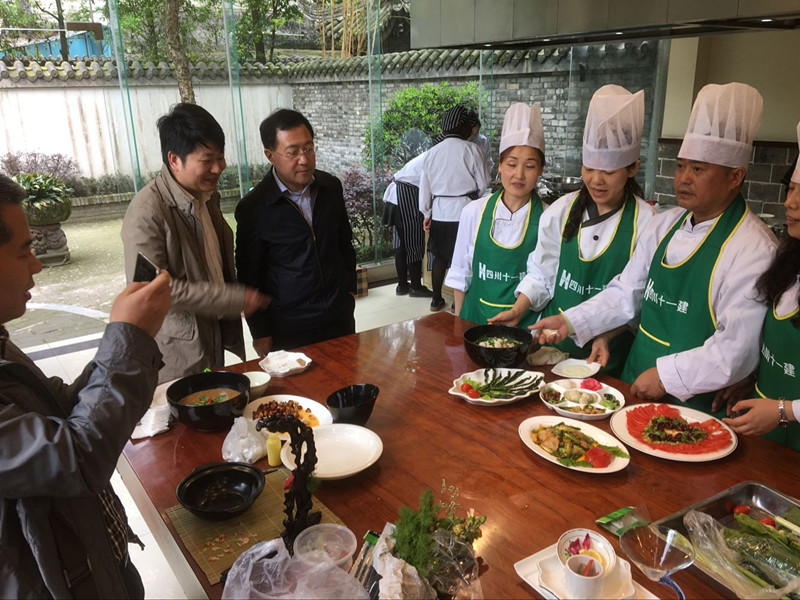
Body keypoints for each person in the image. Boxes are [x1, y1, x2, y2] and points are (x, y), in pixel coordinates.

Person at [533, 82, 776, 415]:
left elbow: (736, 350)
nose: (683, 179)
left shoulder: (754, 249)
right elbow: (626, 292)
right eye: (680, 166)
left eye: (698, 169)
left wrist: (665, 376)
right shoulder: (665, 224)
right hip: (636, 380)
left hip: (695, 404)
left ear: (735, 176)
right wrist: (570, 320)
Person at [0, 174, 172, 598]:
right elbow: (76, 457)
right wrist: (129, 341)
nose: (37, 265)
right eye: (23, 252)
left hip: (95, 563)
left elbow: (60, 410)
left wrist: (124, 340)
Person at [490, 86, 655, 375]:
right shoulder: (561, 211)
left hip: (609, 355)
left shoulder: (647, 222)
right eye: (589, 168)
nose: (596, 180)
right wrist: (519, 309)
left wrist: (605, 333)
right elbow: (542, 273)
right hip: (555, 347)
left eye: (609, 172)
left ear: (632, 168)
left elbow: (634, 299)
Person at [121, 103, 268, 381]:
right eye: (207, 159)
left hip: (211, 335)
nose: (218, 167)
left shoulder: (206, 197)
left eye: (221, 157)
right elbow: (152, 290)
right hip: (176, 353)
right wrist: (233, 298)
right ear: (174, 160)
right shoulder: (147, 212)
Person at [235, 109, 357, 355]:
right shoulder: (254, 208)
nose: (304, 159)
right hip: (289, 326)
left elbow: (344, 242)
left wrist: (348, 289)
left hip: (339, 315)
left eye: (309, 149)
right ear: (270, 155)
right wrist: (260, 332)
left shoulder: (330, 187)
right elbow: (250, 276)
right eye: (293, 152)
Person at [714, 125, 800, 449]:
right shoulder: (788, 263)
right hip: (767, 438)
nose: (789, 202)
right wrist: (750, 378)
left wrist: (785, 411)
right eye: (790, 189)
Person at [445, 102, 547, 327]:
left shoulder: (549, 218)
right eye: (511, 164)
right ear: (499, 166)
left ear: (540, 169)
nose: (519, 175)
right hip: (475, 320)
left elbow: (543, 279)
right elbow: (461, 272)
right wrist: (459, 325)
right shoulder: (474, 211)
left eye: (530, 166)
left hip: (524, 328)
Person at [419, 105, 490, 311]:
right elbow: (484, 182)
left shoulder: (432, 152)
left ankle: (436, 299)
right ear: (464, 127)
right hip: (465, 211)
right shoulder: (472, 149)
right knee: (465, 259)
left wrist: (426, 213)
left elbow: (425, 187)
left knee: (440, 256)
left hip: (440, 211)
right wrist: (474, 196)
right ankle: (458, 303)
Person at [382, 150, 433, 297]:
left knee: (403, 245)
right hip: (406, 196)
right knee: (414, 243)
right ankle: (416, 287)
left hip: (395, 198)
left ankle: (402, 286)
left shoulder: (429, 154)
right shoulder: (436, 157)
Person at [466, 108, 494, 175]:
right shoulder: (459, 143)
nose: (474, 136)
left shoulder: (483, 141)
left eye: (477, 133)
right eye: (472, 134)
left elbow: (489, 163)